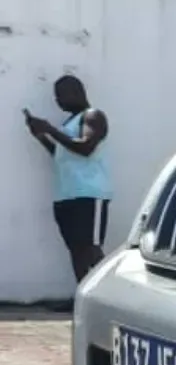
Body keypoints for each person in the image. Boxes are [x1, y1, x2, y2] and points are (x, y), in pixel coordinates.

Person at [24, 75, 111, 283]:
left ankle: (110, 294)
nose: (57, 101)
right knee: (76, 250)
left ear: (77, 91)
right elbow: (62, 156)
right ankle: (82, 297)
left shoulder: (93, 116)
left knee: (91, 249)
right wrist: (41, 136)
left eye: (60, 95)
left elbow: (86, 148)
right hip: (66, 195)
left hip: (89, 194)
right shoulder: (69, 123)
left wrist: (50, 129)